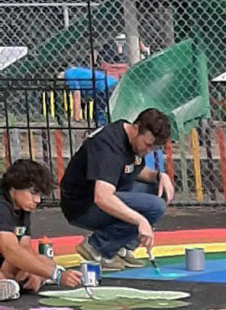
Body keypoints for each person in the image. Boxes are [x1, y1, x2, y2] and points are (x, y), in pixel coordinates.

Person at [60, 107, 173, 271]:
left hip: (102, 196)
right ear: (135, 129)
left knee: (158, 190)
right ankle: (97, 247)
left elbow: (134, 170)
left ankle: (121, 246)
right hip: (83, 206)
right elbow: (102, 197)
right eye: (148, 145)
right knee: (155, 206)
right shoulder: (109, 146)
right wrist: (140, 221)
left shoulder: (131, 140)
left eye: (153, 148)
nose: (148, 151)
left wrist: (160, 176)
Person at [0, 159, 85, 296]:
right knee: (38, 266)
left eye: (39, 194)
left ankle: (11, 283)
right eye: (33, 193)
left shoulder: (21, 207)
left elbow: (25, 247)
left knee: (45, 261)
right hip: (6, 259)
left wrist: (36, 272)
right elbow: (11, 250)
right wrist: (55, 275)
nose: (37, 200)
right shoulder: (2, 206)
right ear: (14, 187)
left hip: (5, 263)